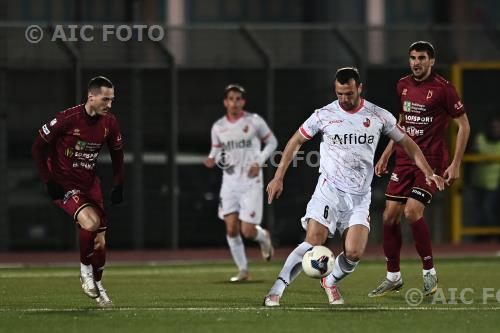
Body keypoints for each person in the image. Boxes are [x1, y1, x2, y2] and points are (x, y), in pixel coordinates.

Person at [263, 67, 445, 307]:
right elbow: (295, 140)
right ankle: (276, 291)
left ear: (359, 88)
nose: (344, 99)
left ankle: (330, 282)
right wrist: (278, 177)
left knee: (354, 253)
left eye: (348, 93)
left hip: (359, 196)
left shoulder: (379, 116)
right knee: (314, 240)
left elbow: (409, 144)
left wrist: (429, 172)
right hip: (330, 189)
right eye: (339, 94)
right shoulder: (324, 114)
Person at [368, 41, 470, 298]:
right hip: (403, 161)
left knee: (412, 212)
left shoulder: (444, 89)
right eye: (412, 57)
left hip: (432, 162)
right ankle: (393, 275)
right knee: (389, 215)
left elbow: (464, 126)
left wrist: (455, 163)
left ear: (432, 61)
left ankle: (429, 272)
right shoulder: (402, 85)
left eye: (422, 57)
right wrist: (386, 154)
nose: (416, 62)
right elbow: (400, 124)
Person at [31, 76, 124, 307]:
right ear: (91, 97)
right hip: (65, 184)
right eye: (105, 99)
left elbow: (117, 155)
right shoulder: (67, 118)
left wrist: (118, 184)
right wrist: (48, 180)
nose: (109, 105)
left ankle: (99, 284)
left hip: (90, 184)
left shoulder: (109, 123)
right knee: (90, 223)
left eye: (112, 100)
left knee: (101, 243)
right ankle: (85, 272)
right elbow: (37, 147)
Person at [204, 84, 278, 282]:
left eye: (238, 99)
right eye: (231, 99)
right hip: (229, 182)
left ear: (243, 102)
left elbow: (272, 142)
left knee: (247, 231)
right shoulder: (218, 126)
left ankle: (263, 237)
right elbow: (216, 150)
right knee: (231, 229)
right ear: (225, 102)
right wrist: (212, 158)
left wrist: (259, 161)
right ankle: (243, 270)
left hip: (251, 182)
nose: (234, 102)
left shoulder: (254, 121)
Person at [471, 116, 500, 229]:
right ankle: (482, 238)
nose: (494, 129)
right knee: (479, 211)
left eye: (497, 127)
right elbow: (473, 152)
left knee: (487, 209)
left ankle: (490, 237)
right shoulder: (480, 138)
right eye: (492, 127)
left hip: (494, 185)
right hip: (478, 182)